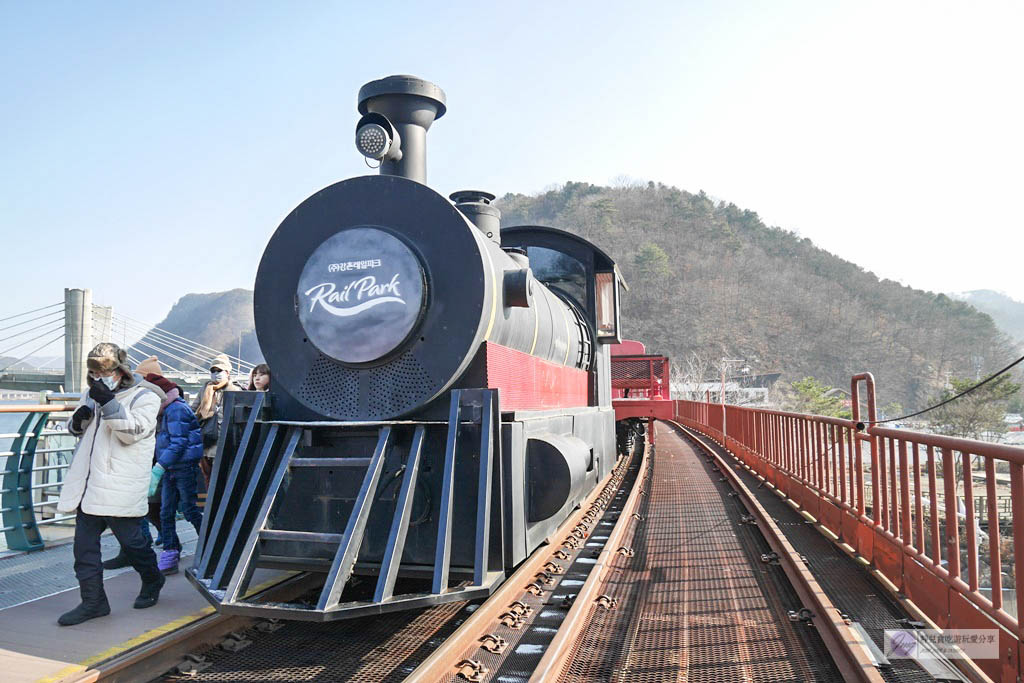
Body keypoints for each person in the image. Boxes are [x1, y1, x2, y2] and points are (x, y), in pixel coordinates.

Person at [56, 343, 166, 626]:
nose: (98, 377)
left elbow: (133, 432)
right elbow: (78, 431)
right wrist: (77, 421)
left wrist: (107, 402)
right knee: (83, 549)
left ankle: (152, 578)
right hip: (89, 485)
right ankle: (93, 602)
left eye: (104, 372)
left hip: (121, 484)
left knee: (133, 544)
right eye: (93, 373)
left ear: (120, 370)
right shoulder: (91, 393)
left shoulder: (146, 397)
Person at [145, 372, 203, 574]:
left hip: (182, 467)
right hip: (172, 468)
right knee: (166, 511)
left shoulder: (175, 410)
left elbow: (178, 442)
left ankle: (209, 544)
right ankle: (170, 552)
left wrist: (159, 466)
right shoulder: (166, 410)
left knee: (188, 509)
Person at [192, 353, 240, 486]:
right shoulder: (206, 389)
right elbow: (193, 409)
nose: (215, 373)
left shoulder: (235, 390)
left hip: (223, 442)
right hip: (205, 441)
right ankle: (210, 506)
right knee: (208, 478)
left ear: (228, 372)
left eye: (219, 370)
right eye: (213, 370)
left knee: (222, 480)